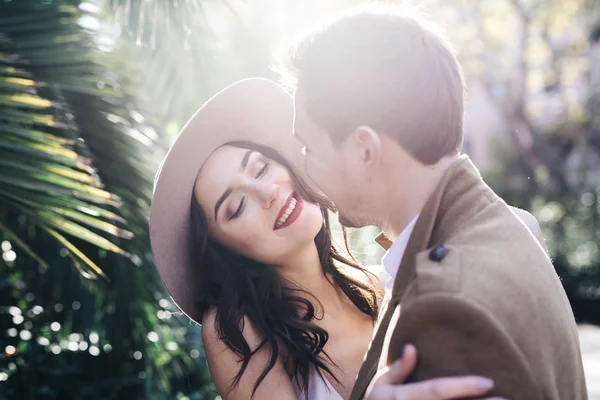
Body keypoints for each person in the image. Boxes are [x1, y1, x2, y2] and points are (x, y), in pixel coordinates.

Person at [148, 78, 537, 399]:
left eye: (262, 167)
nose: (266, 192)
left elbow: (516, 237)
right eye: (236, 207)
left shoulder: (390, 283)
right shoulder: (237, 330)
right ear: (226, 251)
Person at [284, 4, 588, 400]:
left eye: (309, 148)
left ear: (365, 151)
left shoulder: (442, 307)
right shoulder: (508, 227)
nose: (306, 172)